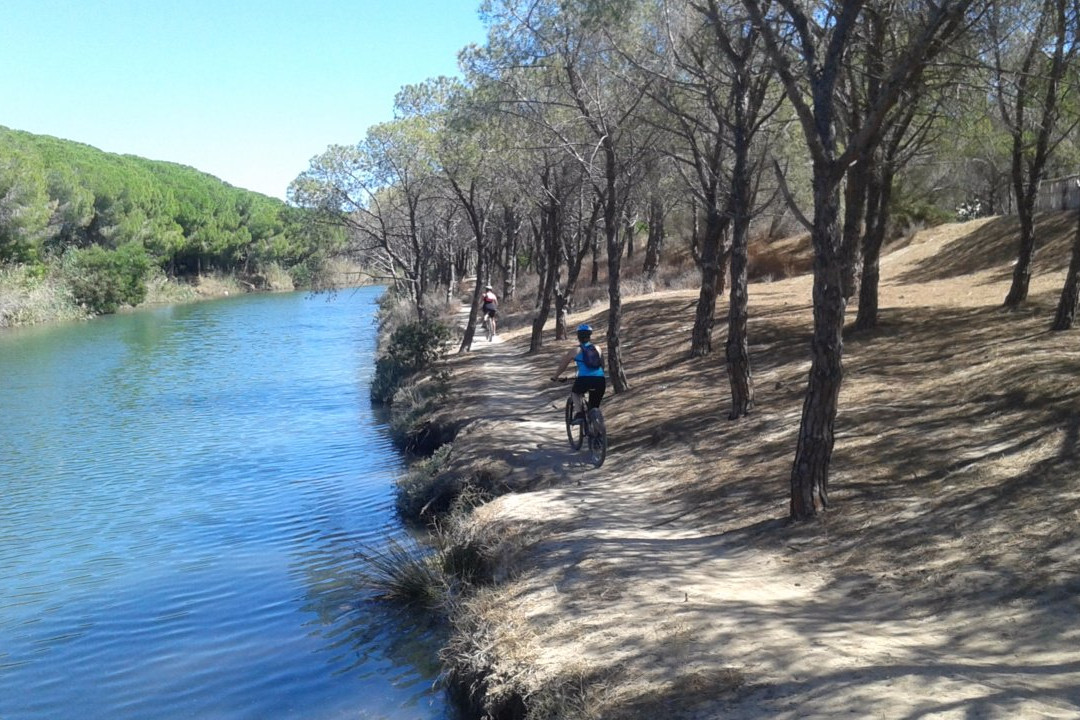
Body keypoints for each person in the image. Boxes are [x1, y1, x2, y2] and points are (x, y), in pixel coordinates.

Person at [551, 324, 606, 425]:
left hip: (584, 380)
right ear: (590, 336)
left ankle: (580, 414)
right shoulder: (598, 348)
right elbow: (602, 365)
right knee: (594, 407)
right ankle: (597, 429)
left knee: (575, 393)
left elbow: (563, 366)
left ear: (578, 336)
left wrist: (555, 377)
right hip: (600, 380)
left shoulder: (575, 351)